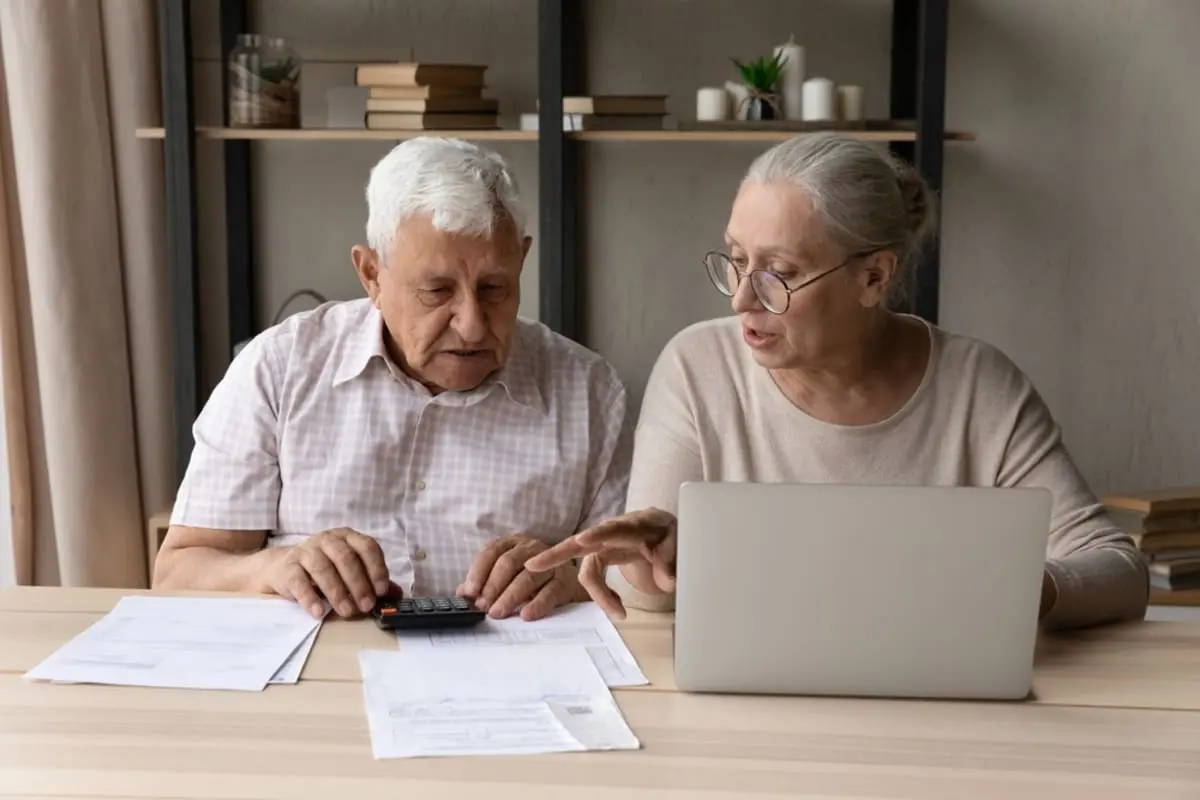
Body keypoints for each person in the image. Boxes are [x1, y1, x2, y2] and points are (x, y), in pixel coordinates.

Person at [526, 132, 1148, 630]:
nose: (743, 297)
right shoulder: (699, 366)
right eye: (737, 260)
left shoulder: (978, 386)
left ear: (874, 277)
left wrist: (1017, 593)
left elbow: (1120, 570)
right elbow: (654, 604)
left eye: (779, 273)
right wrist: (659, 561)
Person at [154, 137, 631, 622]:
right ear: (371, 275)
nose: (471, 323)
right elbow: (179, 573)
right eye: (436, 290)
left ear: (522, 263)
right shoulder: (280, 368)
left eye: (495, 288)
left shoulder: (589, 394)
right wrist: (272, 569)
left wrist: (571, 580)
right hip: (316, 682)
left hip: (517, 685)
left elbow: (636, 586)